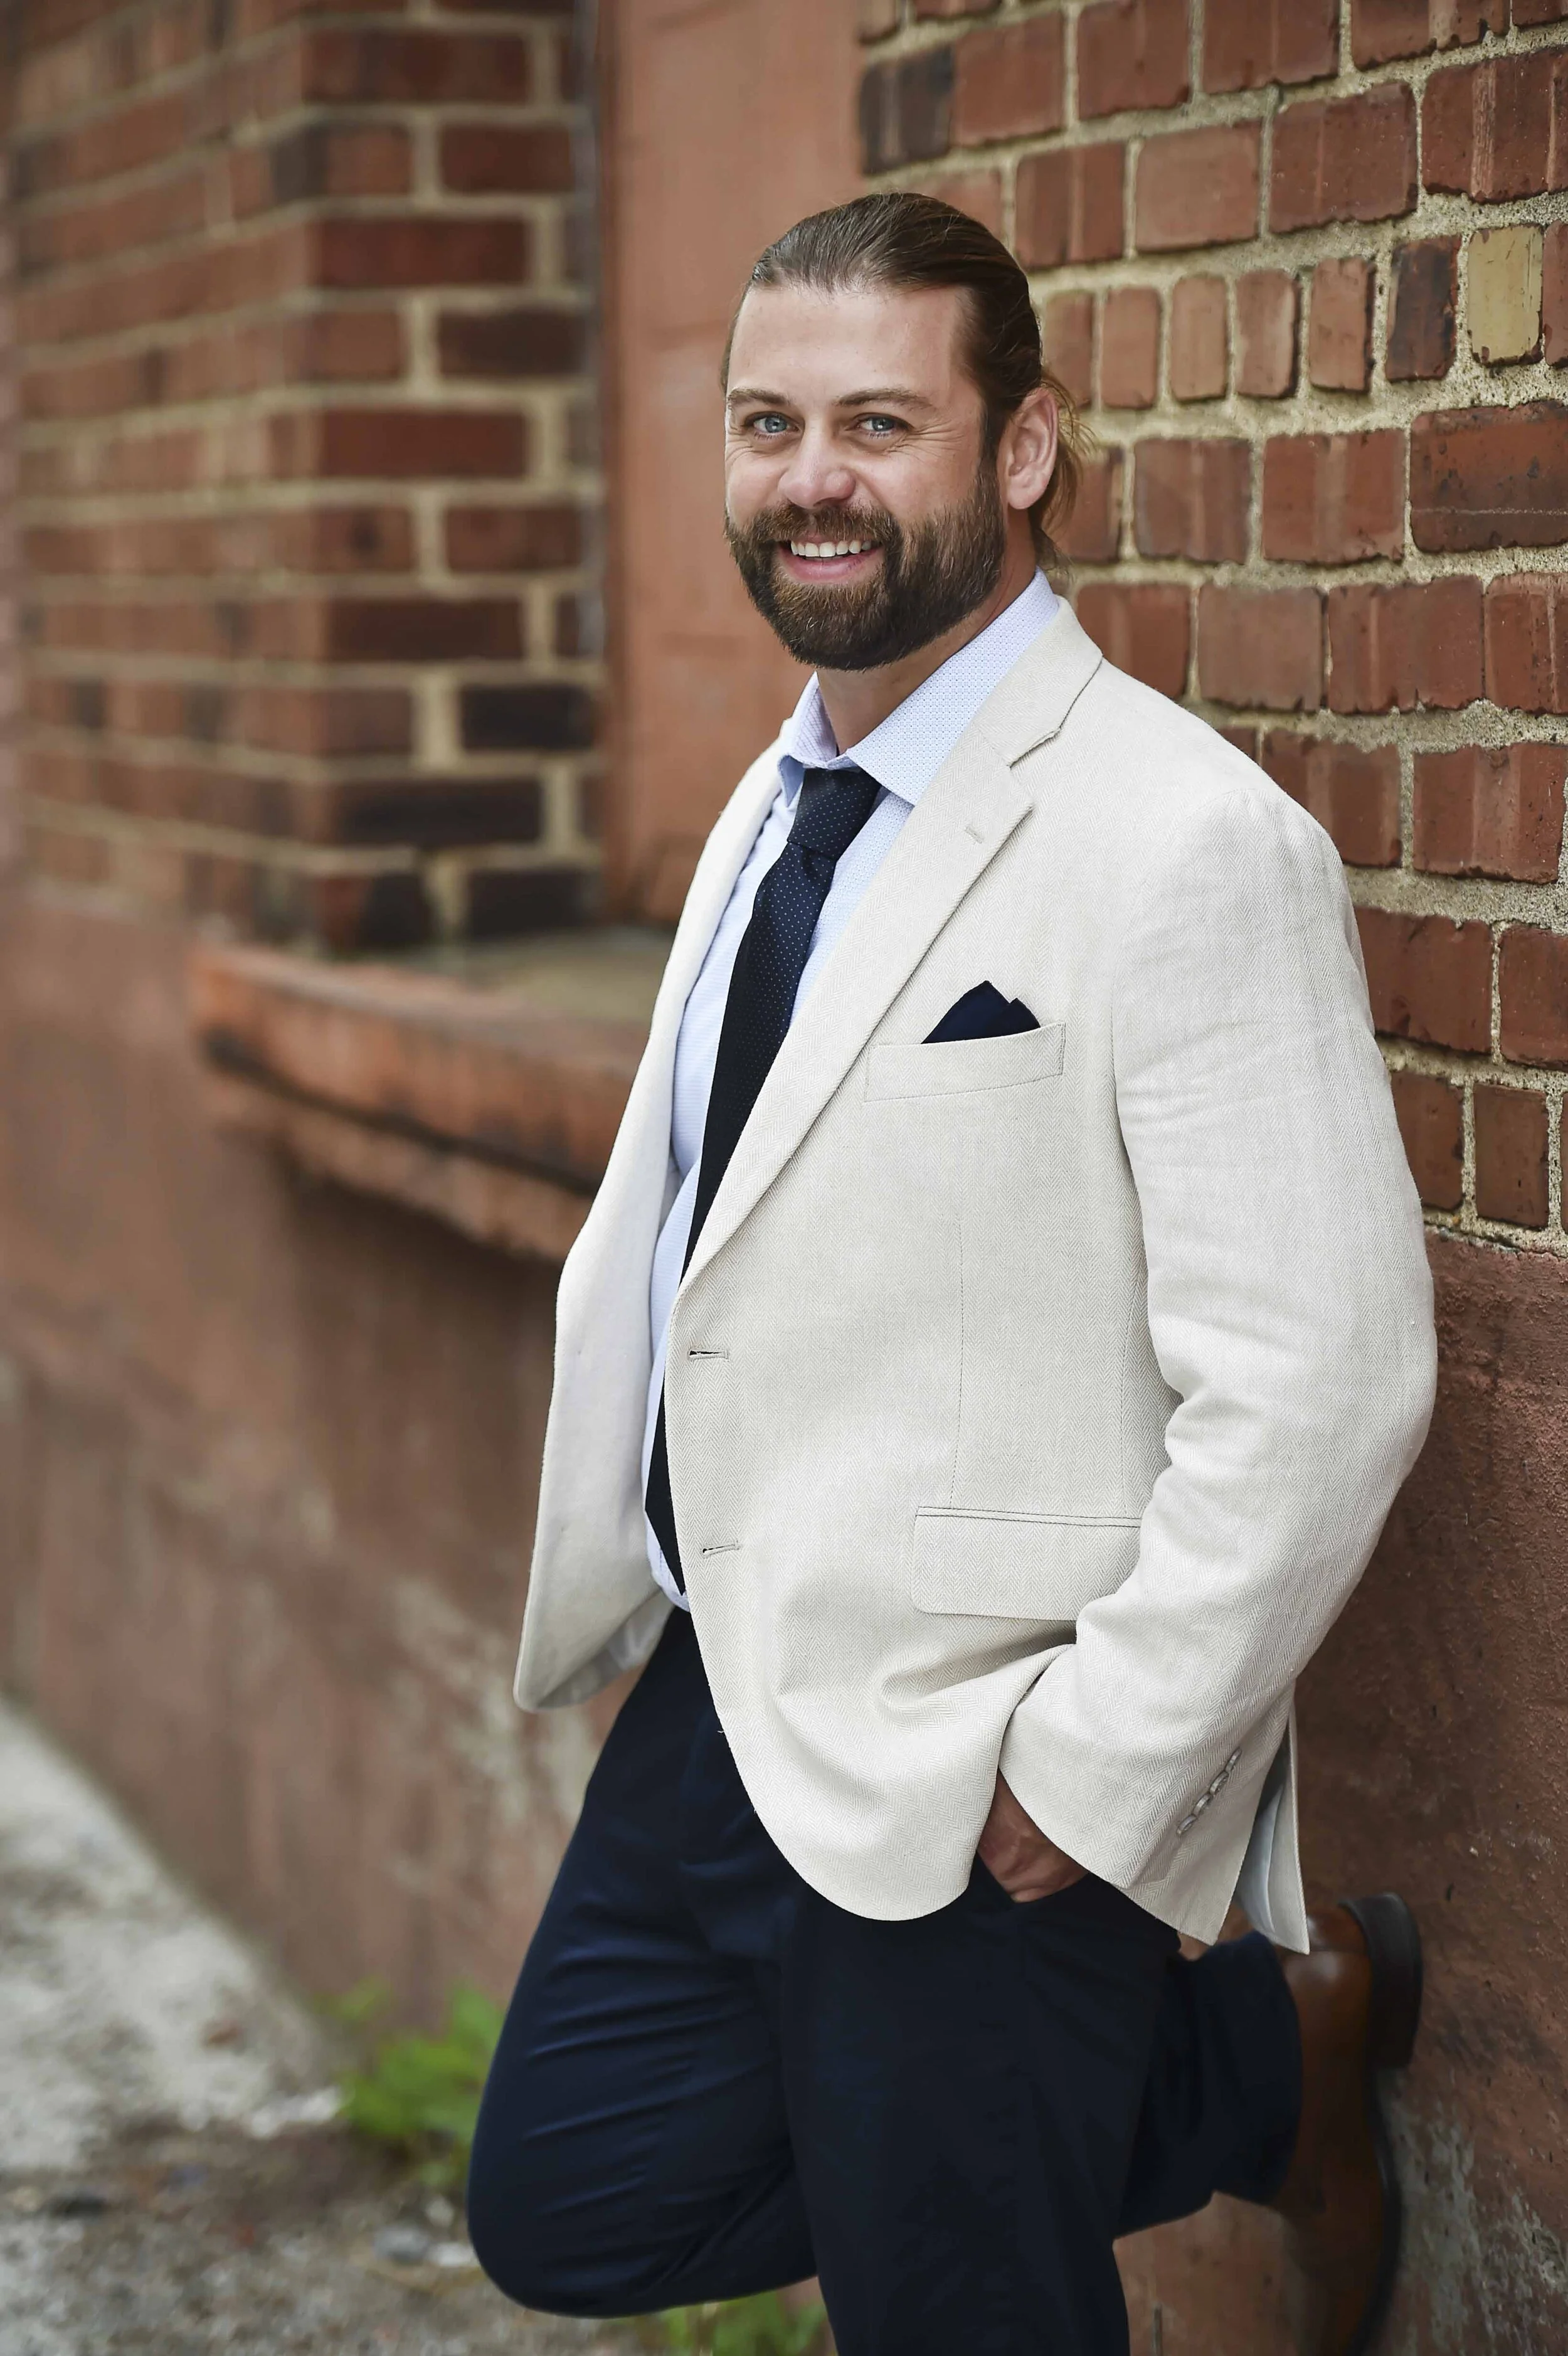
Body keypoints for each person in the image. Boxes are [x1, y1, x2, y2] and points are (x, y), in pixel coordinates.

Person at [467, 194, 1437, 2356]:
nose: (809, 475)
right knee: (573, 2193)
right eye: (766, 421)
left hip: (979, 1768)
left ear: (1018, 452)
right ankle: (1254, 2072)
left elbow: (1333, 1374)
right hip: (733, 1691)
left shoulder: (1181, 843)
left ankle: (1160, 2072)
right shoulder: (782, 790)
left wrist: (1091, 1778)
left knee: (954, 2308)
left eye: (878, 421)